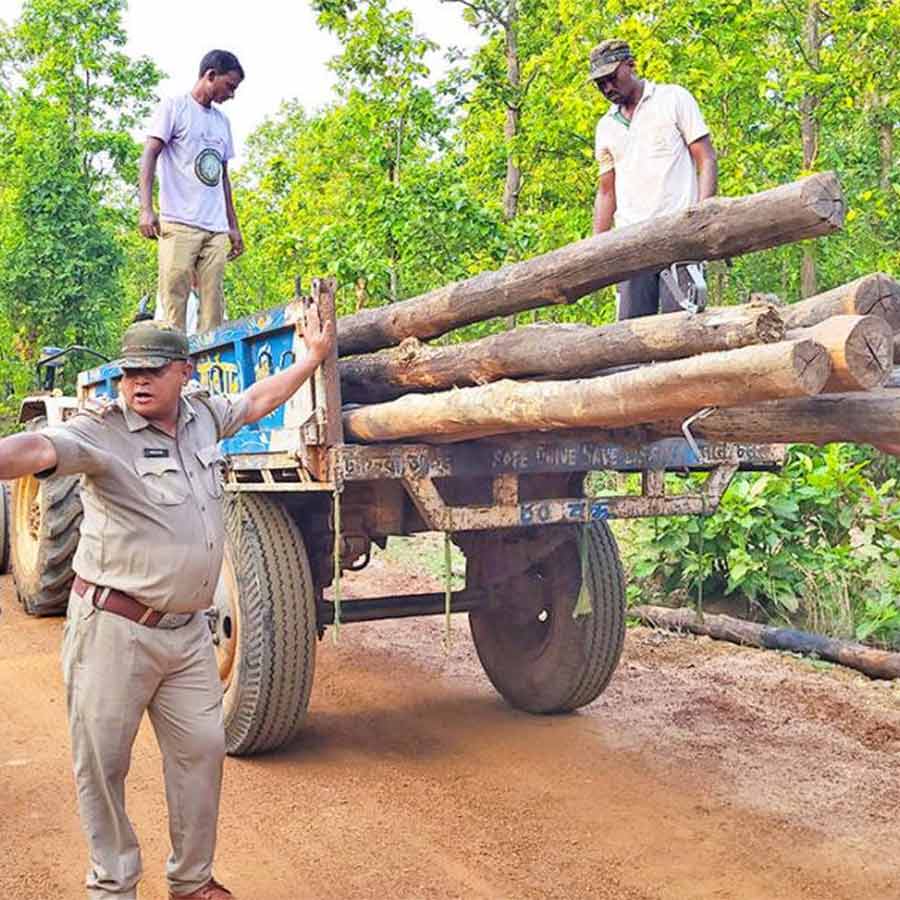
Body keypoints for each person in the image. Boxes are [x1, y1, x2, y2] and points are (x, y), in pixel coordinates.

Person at [0, 312, 334, 899]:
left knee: (202, 754)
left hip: (186, 635)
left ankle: (191, 881)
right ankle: (112, 883)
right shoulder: (101, 431)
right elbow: (35, 448)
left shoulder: (204, 416)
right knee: (102, 766)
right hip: (113, 629)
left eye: (152, 371)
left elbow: (256, 401)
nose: (137, 383)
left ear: (185, 371)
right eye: (130, 373)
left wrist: (309, 359)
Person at [590, 39, 718, 319]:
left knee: (683, 326)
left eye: (612, 78)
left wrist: (702, 217)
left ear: (631, 65)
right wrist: (596, 248)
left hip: (679, 235)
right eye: (601, 84)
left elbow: (705, 158)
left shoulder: (673, 99)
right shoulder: (606, 127)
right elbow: (606, 191)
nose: (608, 88)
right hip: (630, 243)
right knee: (630, 337)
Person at [139, 50, 245, 335]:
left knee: (213, 308)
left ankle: (207, 371)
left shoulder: (222, 122)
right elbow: (149, 154)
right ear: (211, 75)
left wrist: (233, 226)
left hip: (215, 227)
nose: (232, 95)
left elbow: (223, 177)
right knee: (174, 304)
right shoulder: (175, 108)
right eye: (230, 86)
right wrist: (146, 208)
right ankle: (173, 374)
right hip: (179, 221)